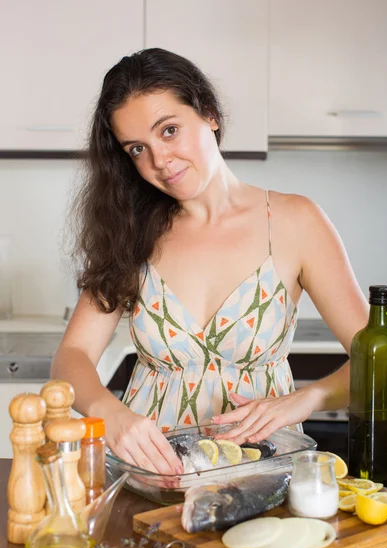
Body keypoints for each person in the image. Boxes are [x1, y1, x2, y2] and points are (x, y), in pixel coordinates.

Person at [52, 47, 368, 475]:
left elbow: (379, 361)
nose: (158, 162)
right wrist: (110, 414)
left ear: (210, 114)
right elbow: (71, 354)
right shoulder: (129, 230)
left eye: (169, 131)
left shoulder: (295, 221)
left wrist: (307, 398)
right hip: (152, 472)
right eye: (136, 149)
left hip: (263, 472)